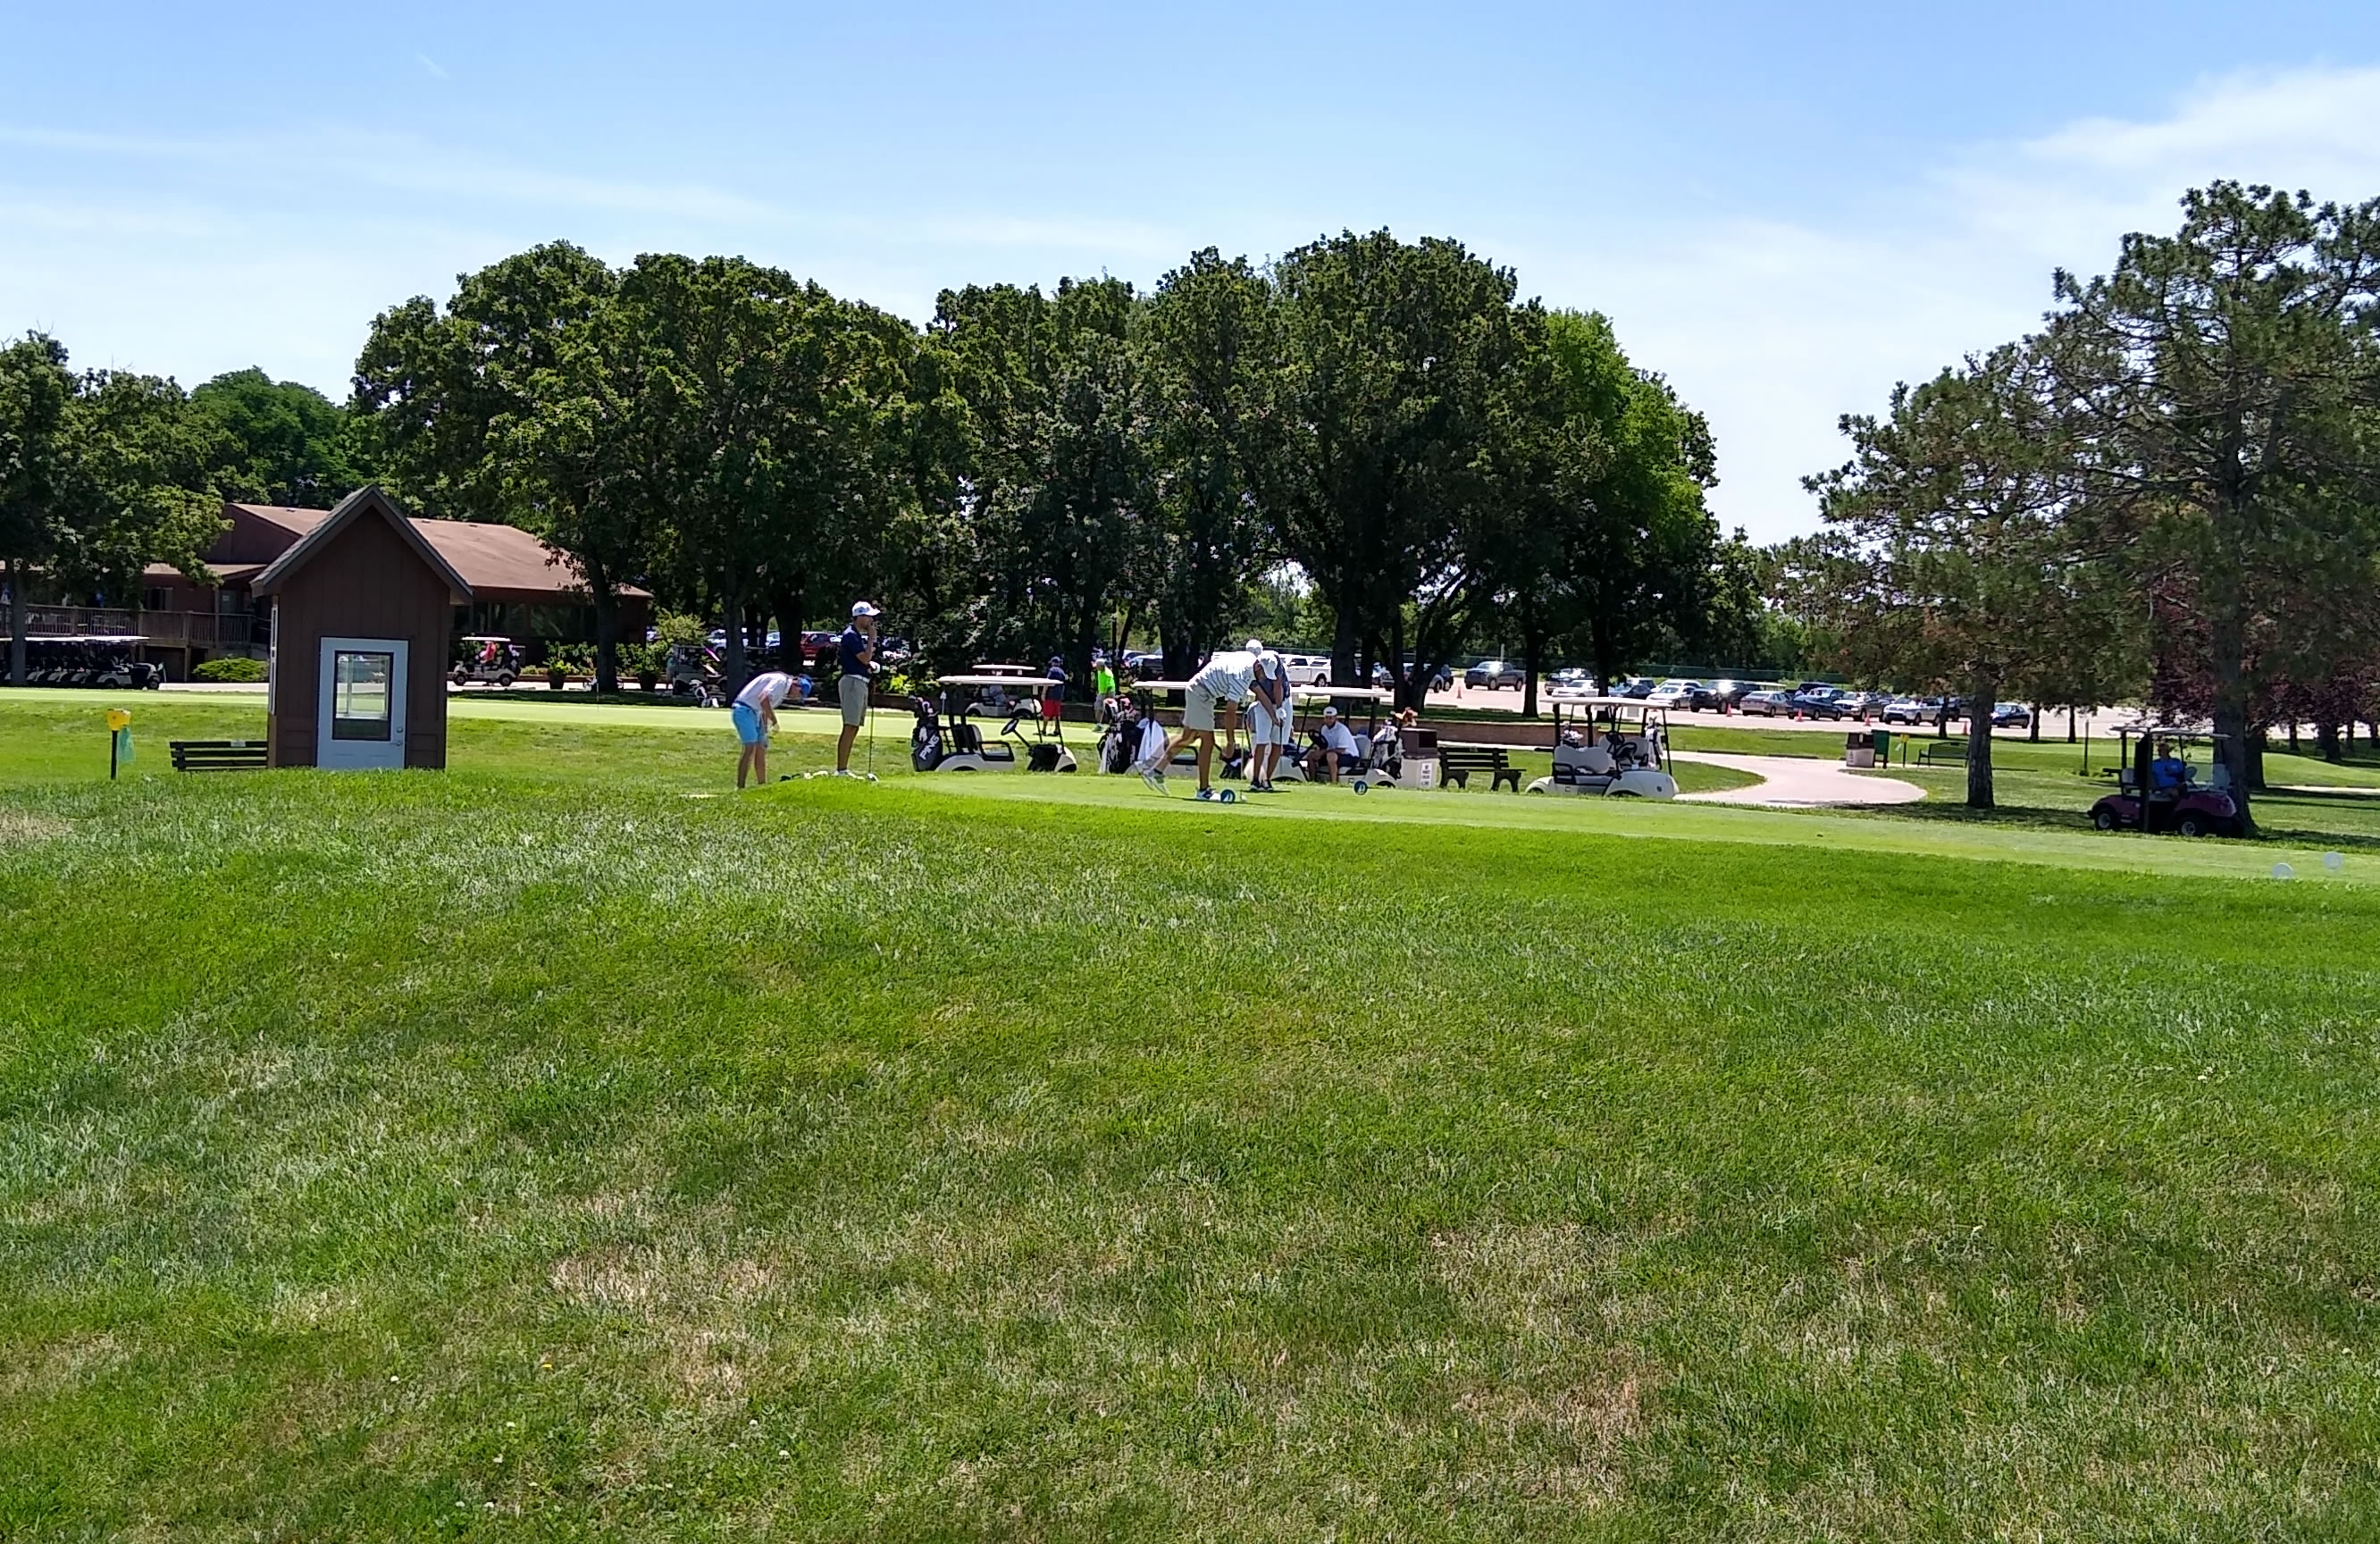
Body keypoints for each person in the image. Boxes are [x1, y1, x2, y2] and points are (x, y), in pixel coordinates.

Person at [1140, 639, 1263, 798]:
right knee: (1208, 741)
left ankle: (1155, 771)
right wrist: (1230, 743)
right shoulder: (1242, 675)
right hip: (1201, 694)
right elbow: (1230, 712)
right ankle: (1203, 790)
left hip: (1198, 690)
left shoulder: (1244, 658)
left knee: (1188, 737)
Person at [732, 667, 798, 787]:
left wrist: (764, 728)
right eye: (800, 693)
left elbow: (764, 706)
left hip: (756, 713)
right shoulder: (781, 681)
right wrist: (774, 720)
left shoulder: (782, 687)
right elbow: (763, 698)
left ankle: (762, 785)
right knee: (750, 747)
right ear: (796, 685)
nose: (798, 697)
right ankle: (740, 786)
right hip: (744, 710)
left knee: (761, 747)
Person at [835, 602, 879, 774]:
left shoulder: (856, 636)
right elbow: (865, 658)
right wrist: (871, 638)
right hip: (852, 683)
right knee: (850, 725)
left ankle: (843, 769)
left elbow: (863, 661)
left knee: (854, 726)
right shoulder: (851, 635)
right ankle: (841, 770)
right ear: (859, 616)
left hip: (859, 682)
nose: (871, 620)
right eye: (868, 616)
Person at [1243, 649, 1291, 792]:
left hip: (1284, 702)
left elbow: (1278, 685)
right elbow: (1262, 697)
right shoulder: (1248, 672)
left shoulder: (1275, 660)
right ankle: (1255, 779)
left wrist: (1280, 709)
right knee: (1261, 741)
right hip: (1264, 705)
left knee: (1278, 743)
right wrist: (1273, 716)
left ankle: (1267, 780)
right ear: (1259, 667)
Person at [1305, 705, 1363, 784]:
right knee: (1311, 756)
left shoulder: (1342, 730)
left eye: (1331, 718)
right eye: (1326, 718)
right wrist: (1318, 753)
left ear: (1335, 718)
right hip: (1332, 754)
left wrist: (1324, 752)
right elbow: (1325, 745)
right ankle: (1312, 781)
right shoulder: (1324, 729)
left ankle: (1333, 782)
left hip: (1350, 757)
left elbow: (1342, 750)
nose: (1328, 720)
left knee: (1331, 756)